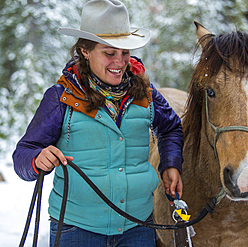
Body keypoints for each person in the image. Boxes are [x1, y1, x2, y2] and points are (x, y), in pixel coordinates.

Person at [13, 0, 184, 246]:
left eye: (124, 53)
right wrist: (37, 159)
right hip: (76, 230)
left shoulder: (145, 93)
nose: (120, 62)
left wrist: (170, 163)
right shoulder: (62, 97)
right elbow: (23, 154)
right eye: (109, 53)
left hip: (138, 229)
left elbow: (170, 128)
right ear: (85, 50)